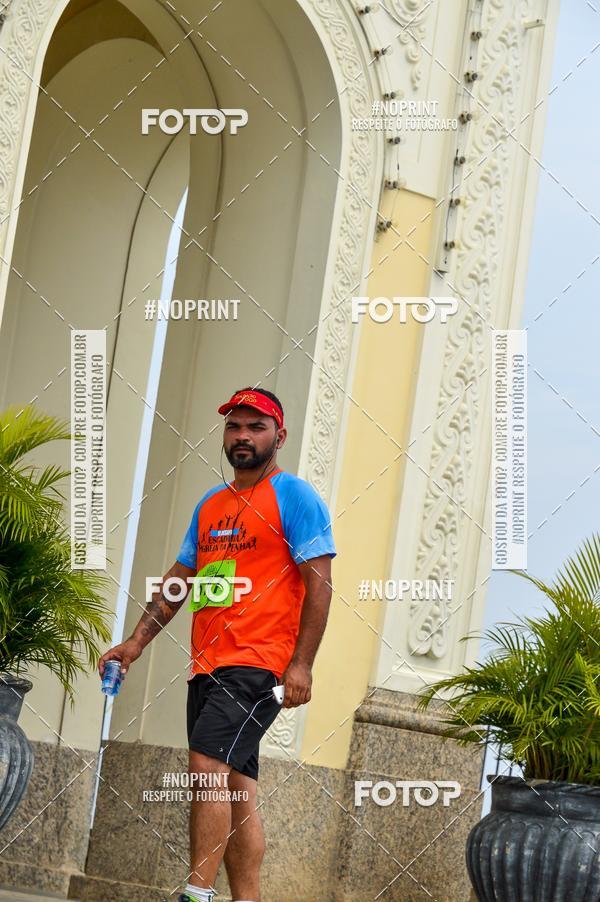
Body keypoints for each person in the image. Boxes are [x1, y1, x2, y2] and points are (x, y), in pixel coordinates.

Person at [98, 387, 336, 902]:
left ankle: (196, 894)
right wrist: (136, 643)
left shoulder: (293, 496)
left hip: (258, 663)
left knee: (206, 767)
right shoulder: (212, 505)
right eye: (235, 426)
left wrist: (302, 665)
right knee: (235, 787)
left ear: (279, 435)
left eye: (256, 427)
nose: (243, 436)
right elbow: (181, 579)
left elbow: (321, 584)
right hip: (208, 666)